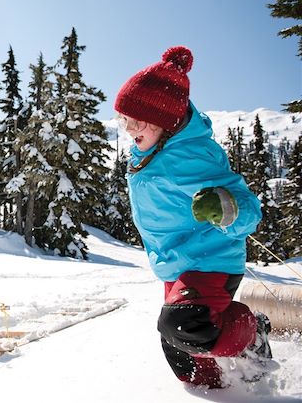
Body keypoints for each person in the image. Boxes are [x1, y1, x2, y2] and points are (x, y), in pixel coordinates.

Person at [115, 46, 274, 388]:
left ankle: (252, 336)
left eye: (136, 120)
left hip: (210, 261)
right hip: (175, 266)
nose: (128, 128)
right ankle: (218, 391)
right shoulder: (148, 150)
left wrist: (224, 204)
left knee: (185, 325)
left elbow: (249, 209)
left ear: (165, 121)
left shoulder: (193, 155)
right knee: (184, 358)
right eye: (123, 119)